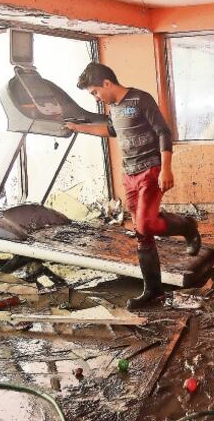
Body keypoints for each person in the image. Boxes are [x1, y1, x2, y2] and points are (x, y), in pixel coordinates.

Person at [65, 62, 201, 310]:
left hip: (151, 169)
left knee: (144, 225)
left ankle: (188, 226)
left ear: (107, 83)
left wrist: (166, 168)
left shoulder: (140, 99)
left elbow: (163, 132)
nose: (96, 98)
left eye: (95, 92)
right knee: (143, 231)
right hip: (129, 174)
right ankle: (153, 291)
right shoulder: (114, 108)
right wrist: (78, 128)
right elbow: (111, 130)